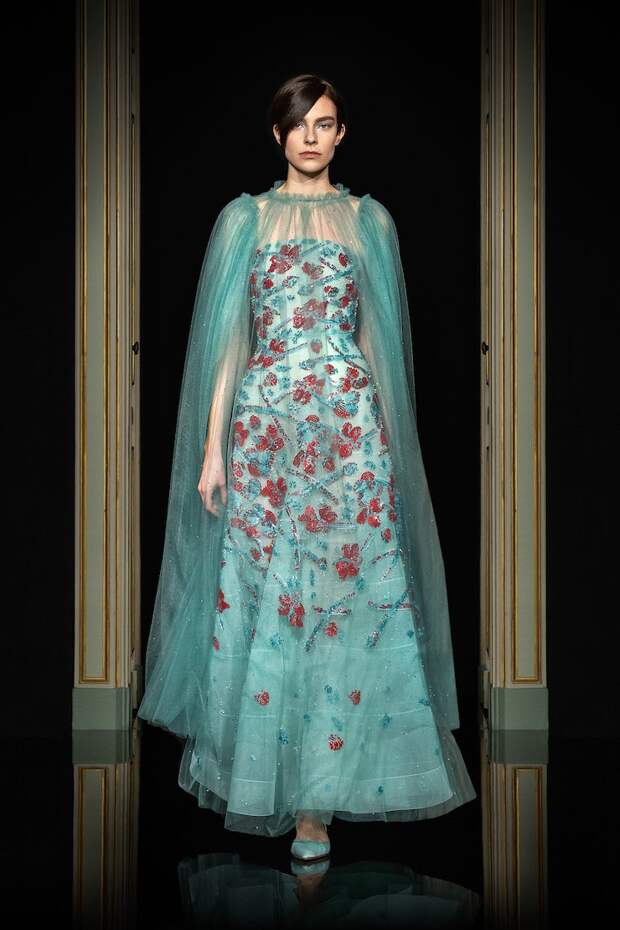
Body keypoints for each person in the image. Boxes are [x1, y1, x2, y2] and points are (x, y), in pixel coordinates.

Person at [137, 73, 477, 862]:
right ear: (278, 134)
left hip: (349, 433)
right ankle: (277, 785)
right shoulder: (245, 220)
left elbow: (379, 343)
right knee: (271, 604)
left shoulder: (369, 221)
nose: (312, 137)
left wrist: (390, 445)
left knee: (347, 607)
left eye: (325, 123)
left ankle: (318, 806)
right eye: (299, 125)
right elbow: (231, 341)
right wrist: (213, 449)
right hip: (264, 434)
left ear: (342, 133)